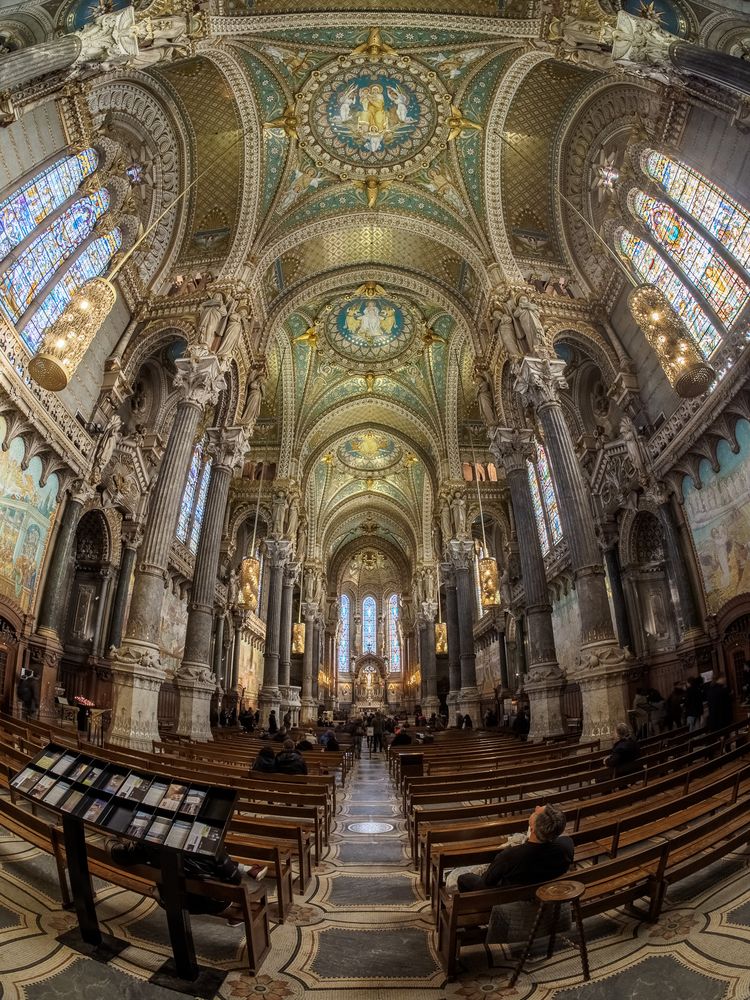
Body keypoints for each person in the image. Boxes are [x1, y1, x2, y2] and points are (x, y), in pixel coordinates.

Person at [108, 840, 267, 922]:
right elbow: (235, 881)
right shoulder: (209, 844)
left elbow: (119, 854)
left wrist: (112, 840)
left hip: (169, 899)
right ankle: (247, 869)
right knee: (220, 871)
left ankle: (246, 868)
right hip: (212, 904)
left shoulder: (147, 845)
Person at [456, 804, 573, 892]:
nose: (536, 807)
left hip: (510, 899)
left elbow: (487, 882)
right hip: (546, 890)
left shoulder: (510, 856)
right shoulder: (566, 845)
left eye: (537, 812)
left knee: (464, 879)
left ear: (532, 828)